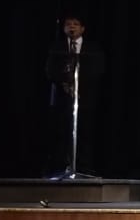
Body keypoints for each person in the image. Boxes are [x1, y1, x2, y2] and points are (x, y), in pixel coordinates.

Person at [44, 15, 105, 175]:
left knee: (84, 133)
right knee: (61, 133)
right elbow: (50, 70)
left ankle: (83, 166)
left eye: (75, 24)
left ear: (82, 29)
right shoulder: (57, 47)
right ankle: (61, 166)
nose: (72, 27)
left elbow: (97, 70)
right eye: (68, 24)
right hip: (62, 98)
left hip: (85, 99)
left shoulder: (92, 49)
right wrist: (65, 83)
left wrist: (79, 85)